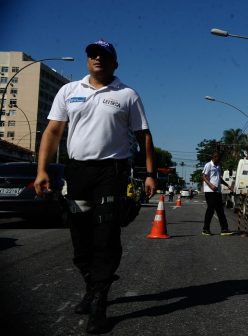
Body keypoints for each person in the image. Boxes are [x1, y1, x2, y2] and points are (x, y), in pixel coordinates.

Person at [34, 39, 156, 334]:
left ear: (115, 63)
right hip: (78, 172)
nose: (97, 58)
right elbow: (53, 131)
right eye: (93, 54)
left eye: (104, 55)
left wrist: (150, 173)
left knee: (106, 232)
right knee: (80, 237)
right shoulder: (69, 91)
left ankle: (100, 300)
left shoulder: (127, 94)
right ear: (87, 60)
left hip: (111, 172)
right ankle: (92, 284)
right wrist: (41, 170)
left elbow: (144, 135)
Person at [202, 153, 234, 236]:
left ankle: (224, 229)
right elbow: (204, 177)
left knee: (220, 211)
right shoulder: (208, 165)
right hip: (210, 191)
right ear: (214, 157)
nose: (220, 160)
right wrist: (211, 185)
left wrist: (227, 185)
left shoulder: (218, 166)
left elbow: (219, 178)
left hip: (218, 191)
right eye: (219, 158)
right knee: (211, 210)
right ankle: (205, 229)